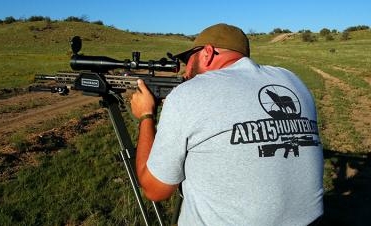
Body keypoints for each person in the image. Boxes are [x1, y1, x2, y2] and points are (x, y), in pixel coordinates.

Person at [130, 23, 324, 226]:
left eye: (188, 60)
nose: (186, 72)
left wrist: (146, 115)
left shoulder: (190, 93)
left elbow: (155, 190)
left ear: (207, 53)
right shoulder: (292, 80)